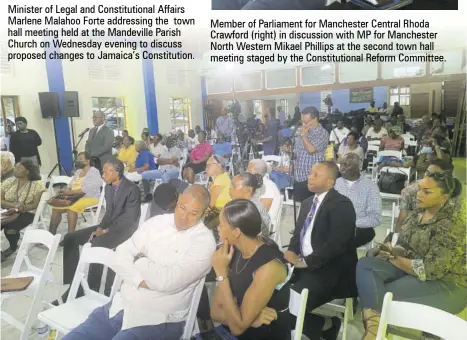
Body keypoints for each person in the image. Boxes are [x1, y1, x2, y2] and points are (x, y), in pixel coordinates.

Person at [63, 185, 215, 340]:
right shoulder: (157, 222)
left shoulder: (204, 243)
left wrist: (139, 260)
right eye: (182, 207)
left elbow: (167, 282)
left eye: (193, 213)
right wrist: (140, 280)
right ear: (178, 199)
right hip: (120, 306)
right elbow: (121, 253)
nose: (183, 217)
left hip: (160, 319)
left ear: (205, 212)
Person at [356, 173, 467, 340]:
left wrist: (394, 259)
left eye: (427, 192)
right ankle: (376, 330)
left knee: (377, 293)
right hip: (410, 270)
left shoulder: (453, 223)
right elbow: (403, 243)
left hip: (446, 283)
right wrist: (391, 251)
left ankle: (373, 332)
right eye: (419, 189)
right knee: (366, 264)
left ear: (444, 197)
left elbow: (431, 270)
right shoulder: (417, 214)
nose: (419, 194)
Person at [284, 161, 357, 340]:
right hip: (303, 263)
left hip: (331, 269)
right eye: (310, 173)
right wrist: (291, 251)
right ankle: (322, 325)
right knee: (273, 292)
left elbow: (336, 244)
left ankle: (325, 324)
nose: (310, 177)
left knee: (291, 302)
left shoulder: (342, 204)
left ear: (330, 182)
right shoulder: (308, 202)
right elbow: (299, 234)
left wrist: (306, 262)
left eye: (316, 175)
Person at [58, 159, 141, 303]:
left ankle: (92, 286)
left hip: (125, 230)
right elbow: (109, 213)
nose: (103, 175)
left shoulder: (131, 189)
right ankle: (74, 284)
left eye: (106, 171)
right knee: (71, 238)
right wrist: (100, 228)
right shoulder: (109, 187)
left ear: (117, 172)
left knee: (95, 244)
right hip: (110, 226)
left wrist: (106, 230)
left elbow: (129, 219)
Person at [208, 199, 290, 340]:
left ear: (236, 232)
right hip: (242, 332)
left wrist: (221, 274)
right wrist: (249, 320)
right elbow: (215, 312)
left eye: (221, 225)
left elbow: (237, 329)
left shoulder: (269, 267)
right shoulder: (232, 253)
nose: (218, 228)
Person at [395, 159, 456, 232]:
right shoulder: (409, 192)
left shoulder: (455, 199)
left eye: (435, 175)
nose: (429, 177)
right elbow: (402, 220)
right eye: (427, 173)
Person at [49, 152, 103, 235]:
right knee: (56, 208)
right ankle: (50, 235)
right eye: (77, 159)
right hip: (74, 197)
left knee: (71, 208)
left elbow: (87, 189)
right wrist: (65, 190)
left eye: (80, 159)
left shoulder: (94, 171)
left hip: (90, 197)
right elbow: (70, 185)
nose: (78, 161)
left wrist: (70, 192)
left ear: (87, 161)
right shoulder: (78, 172)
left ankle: (70, 237)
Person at [1, 160, 45, 261]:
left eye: (19, 168)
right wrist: (13, 205)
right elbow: (0, 199)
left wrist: (21, 208)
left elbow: (35, 204)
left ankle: (12, 247)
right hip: (6, 210)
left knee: (10, 229)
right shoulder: (9, 181)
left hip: (27, 212)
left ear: (28, 171)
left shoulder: (36, 184)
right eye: (15, 168)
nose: (15, 170)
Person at [335, 154, 382, 247]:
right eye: (341, 164)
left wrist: (351, 223)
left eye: (346, 165)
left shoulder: (371, 187)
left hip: (358, 228)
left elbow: (376, 218)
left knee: (366, 233)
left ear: (357, 167)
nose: (342, 168)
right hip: (335, 226)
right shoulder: (335, 184)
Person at [293, 106, 329, 202]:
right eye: (302, 122)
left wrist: (304, 136)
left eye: (306, 122)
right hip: (298, 176)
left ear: (315, 118)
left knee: (311, 209)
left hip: (312, 177)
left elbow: (311, 150)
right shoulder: (303, 131)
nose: (304, 125)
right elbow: (297, 150)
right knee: (301, 209)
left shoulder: (322, 133)